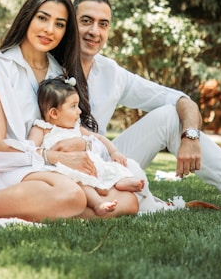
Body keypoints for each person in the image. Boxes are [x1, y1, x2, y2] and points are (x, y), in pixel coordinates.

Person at [0, 0, 140, 221]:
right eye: (43, 18)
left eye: (60, 24)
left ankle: (50, 208)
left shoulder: (60, 73)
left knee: (128, 202)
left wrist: (78, 145)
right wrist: (50, 156)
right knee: (72, 194)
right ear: (27, 17)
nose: (50, 30)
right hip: (5, 170)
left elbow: (76, 129)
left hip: (56, 172)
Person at [64, 0, 221, 194]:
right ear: (71, 24)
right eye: (86, 21)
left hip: (106, 163)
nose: (94, 31)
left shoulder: (111, 72)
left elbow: (181, 100)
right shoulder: (48, 68)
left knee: (168, 116)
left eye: (103, 24)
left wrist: (190, 136)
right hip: (61, 170)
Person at [28, 76, 145, 217]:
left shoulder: (76, 128)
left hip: (92, 164)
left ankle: (121, 181)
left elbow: (99, 138)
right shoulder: (42, 128)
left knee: (110, 167)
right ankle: (98, 203)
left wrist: (114, 152)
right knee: (81, 182)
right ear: (54, 113)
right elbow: (30, 151)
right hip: (68, 169)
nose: (79, 111)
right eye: (73, 107)